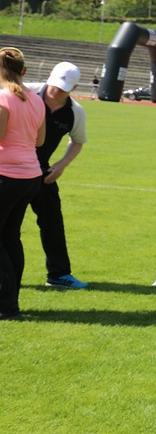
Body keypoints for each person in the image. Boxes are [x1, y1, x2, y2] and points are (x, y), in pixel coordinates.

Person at [24, 61, 90, 289]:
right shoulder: (25, 93)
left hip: (43, 172)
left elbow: (78, 141)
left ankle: (59, 274)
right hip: (12, 169)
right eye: (55, 85)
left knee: (53, 222)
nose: (57, 91)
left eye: (64, 88)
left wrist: (61, 165)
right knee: (7, 225)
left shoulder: (75, 112)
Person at [0, 47, 47, 320]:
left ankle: (7, 303)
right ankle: (10, 302)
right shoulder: (36, 99)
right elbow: (39, 141)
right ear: (24, 71)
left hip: (7, 174)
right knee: (10, 237)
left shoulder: (4, 98)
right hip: (30, 176)